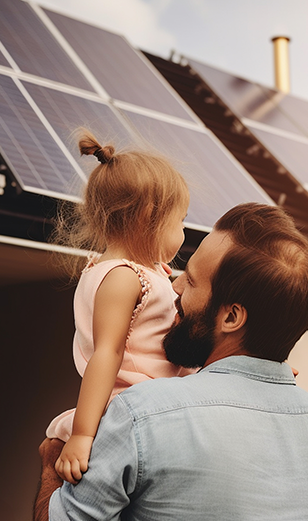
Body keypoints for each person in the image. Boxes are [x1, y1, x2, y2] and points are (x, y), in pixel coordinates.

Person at [34, 203, 308, 521]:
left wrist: (51, 465)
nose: (175, 289)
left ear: (231, 317)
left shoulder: (140, 416)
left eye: (191, 281)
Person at [45, 130, 192, 486]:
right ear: (147, 217)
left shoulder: (147, 271)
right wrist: (83, 434)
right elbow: (106, 354)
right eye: (180, 221)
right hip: (134, 403)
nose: (184, 232)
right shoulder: (123, 278)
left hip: (155, 396)